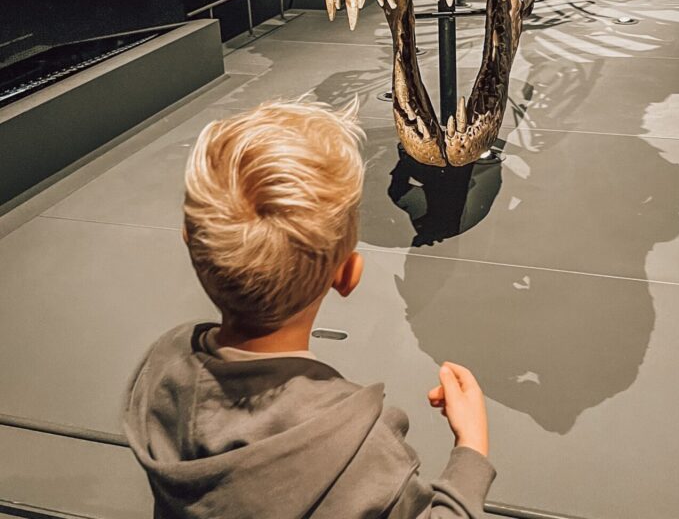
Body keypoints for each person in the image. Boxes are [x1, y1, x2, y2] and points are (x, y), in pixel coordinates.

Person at [123, 99, 495, 519]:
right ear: (348, 275)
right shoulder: (360, 452)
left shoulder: (159, 373)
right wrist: (471, 451)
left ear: (188, 240)